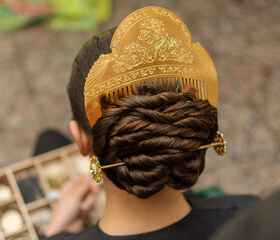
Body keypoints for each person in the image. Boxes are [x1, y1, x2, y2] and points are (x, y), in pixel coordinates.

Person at [43, 6, 258, 240]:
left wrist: (55, 231)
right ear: (189, 127)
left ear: (81, 140)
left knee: (48, 141)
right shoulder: (252, 216)